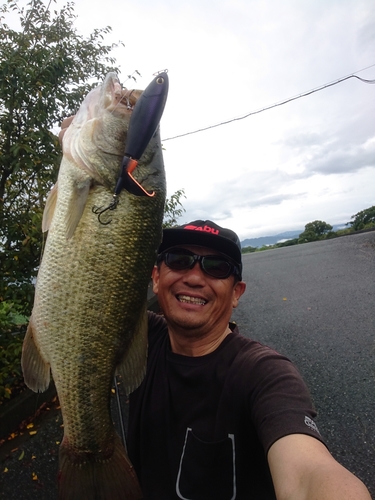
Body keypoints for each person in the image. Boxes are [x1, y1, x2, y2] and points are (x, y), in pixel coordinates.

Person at [126, 220, 371, 500]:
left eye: (216, 266)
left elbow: (308, 475)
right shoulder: (137, 336)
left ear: (236, 294)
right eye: (179, 260)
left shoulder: (265, 373)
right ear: (156, 278)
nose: (194, 277)